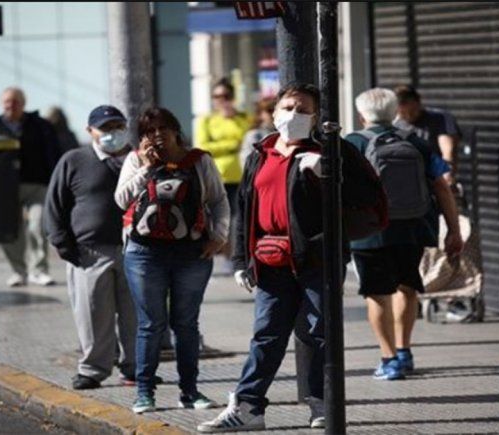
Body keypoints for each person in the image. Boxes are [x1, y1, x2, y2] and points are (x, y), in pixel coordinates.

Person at [198, 83, 386, 432]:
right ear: (273, 113)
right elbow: (245, 209)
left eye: (303, 110)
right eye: (287, 108)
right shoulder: (261, 153)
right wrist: (241, 260)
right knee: (266, 335)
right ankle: (249, 408)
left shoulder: (333, 151)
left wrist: (328, 175)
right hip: (270, 259)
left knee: (319, 332)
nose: (294, 116)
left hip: (318, 260)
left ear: (316, 117)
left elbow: (369, 197)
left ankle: (321, 405)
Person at [115, 107, 229, 413]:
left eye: (163, 128)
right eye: (149, 131)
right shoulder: (134, 160)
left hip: (192, 254)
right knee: (151, 324)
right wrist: (146, 170)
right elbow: (121, 200)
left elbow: (218, 200)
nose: (157, 135)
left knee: (186, 324)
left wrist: (219, 236)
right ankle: (144, 392)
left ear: (176, 130)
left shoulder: (198, 160)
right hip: (143, 255)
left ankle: (189, 391)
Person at [346, 88, 463, 380]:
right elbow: (441, 186)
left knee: (377, 294)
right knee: (407, 287)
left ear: (362, 115)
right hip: (413, 225)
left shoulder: (351, 144)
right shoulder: (416, 142)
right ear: (395, 112)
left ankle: (388, 359)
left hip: (368, 232)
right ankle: (404, 350)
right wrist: (453, 230)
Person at [43, 105, 136, 390]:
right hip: (89, 253)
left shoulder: (138, 158)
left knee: (136, 315)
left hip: (135, 250)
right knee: (93, 314)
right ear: (90, 131)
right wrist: (61, 243)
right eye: (105, 128)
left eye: (118, 127)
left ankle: (136, 367)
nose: (112, 134)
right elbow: (54, 206)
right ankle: (93, 370)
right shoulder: (74, 160)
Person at [0, 87, 62, 287]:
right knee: (10, 231)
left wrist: (55, 182)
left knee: (38, 224)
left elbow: (53, 154)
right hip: (5, 189)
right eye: (7, 102)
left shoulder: (40, 126)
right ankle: (19, 271)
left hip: (37, 185)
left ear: (23, 104)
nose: (11, 105)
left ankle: (39, 270)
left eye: (15, 102)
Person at [195, 78, 252, 271]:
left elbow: (249, 140)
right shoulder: (208, 120)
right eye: (217, 96)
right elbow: (203, 146)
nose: (222, 100)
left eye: (226, 96)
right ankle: (218, 251)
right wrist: (231, 145)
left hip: (241, 175)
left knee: (238, 219)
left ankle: (233, 256)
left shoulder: (242, 118)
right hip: (217, 176)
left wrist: (235, 125)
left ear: (233, 97)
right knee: (218, 219)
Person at [393, 84, 461, 185]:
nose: (408, 116)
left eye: (412, 112)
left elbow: (448, 153)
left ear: (418, 103)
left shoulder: (440, 118)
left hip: (437, 176)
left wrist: (447, 175)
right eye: (403, 114)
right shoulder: (394, 125)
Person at [239, 96, 276, 168]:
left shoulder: (284, 134)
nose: (273, 114)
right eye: (269, 110)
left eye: (275, 110)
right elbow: (246, 162)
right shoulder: (254, 135)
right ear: (260, 114)